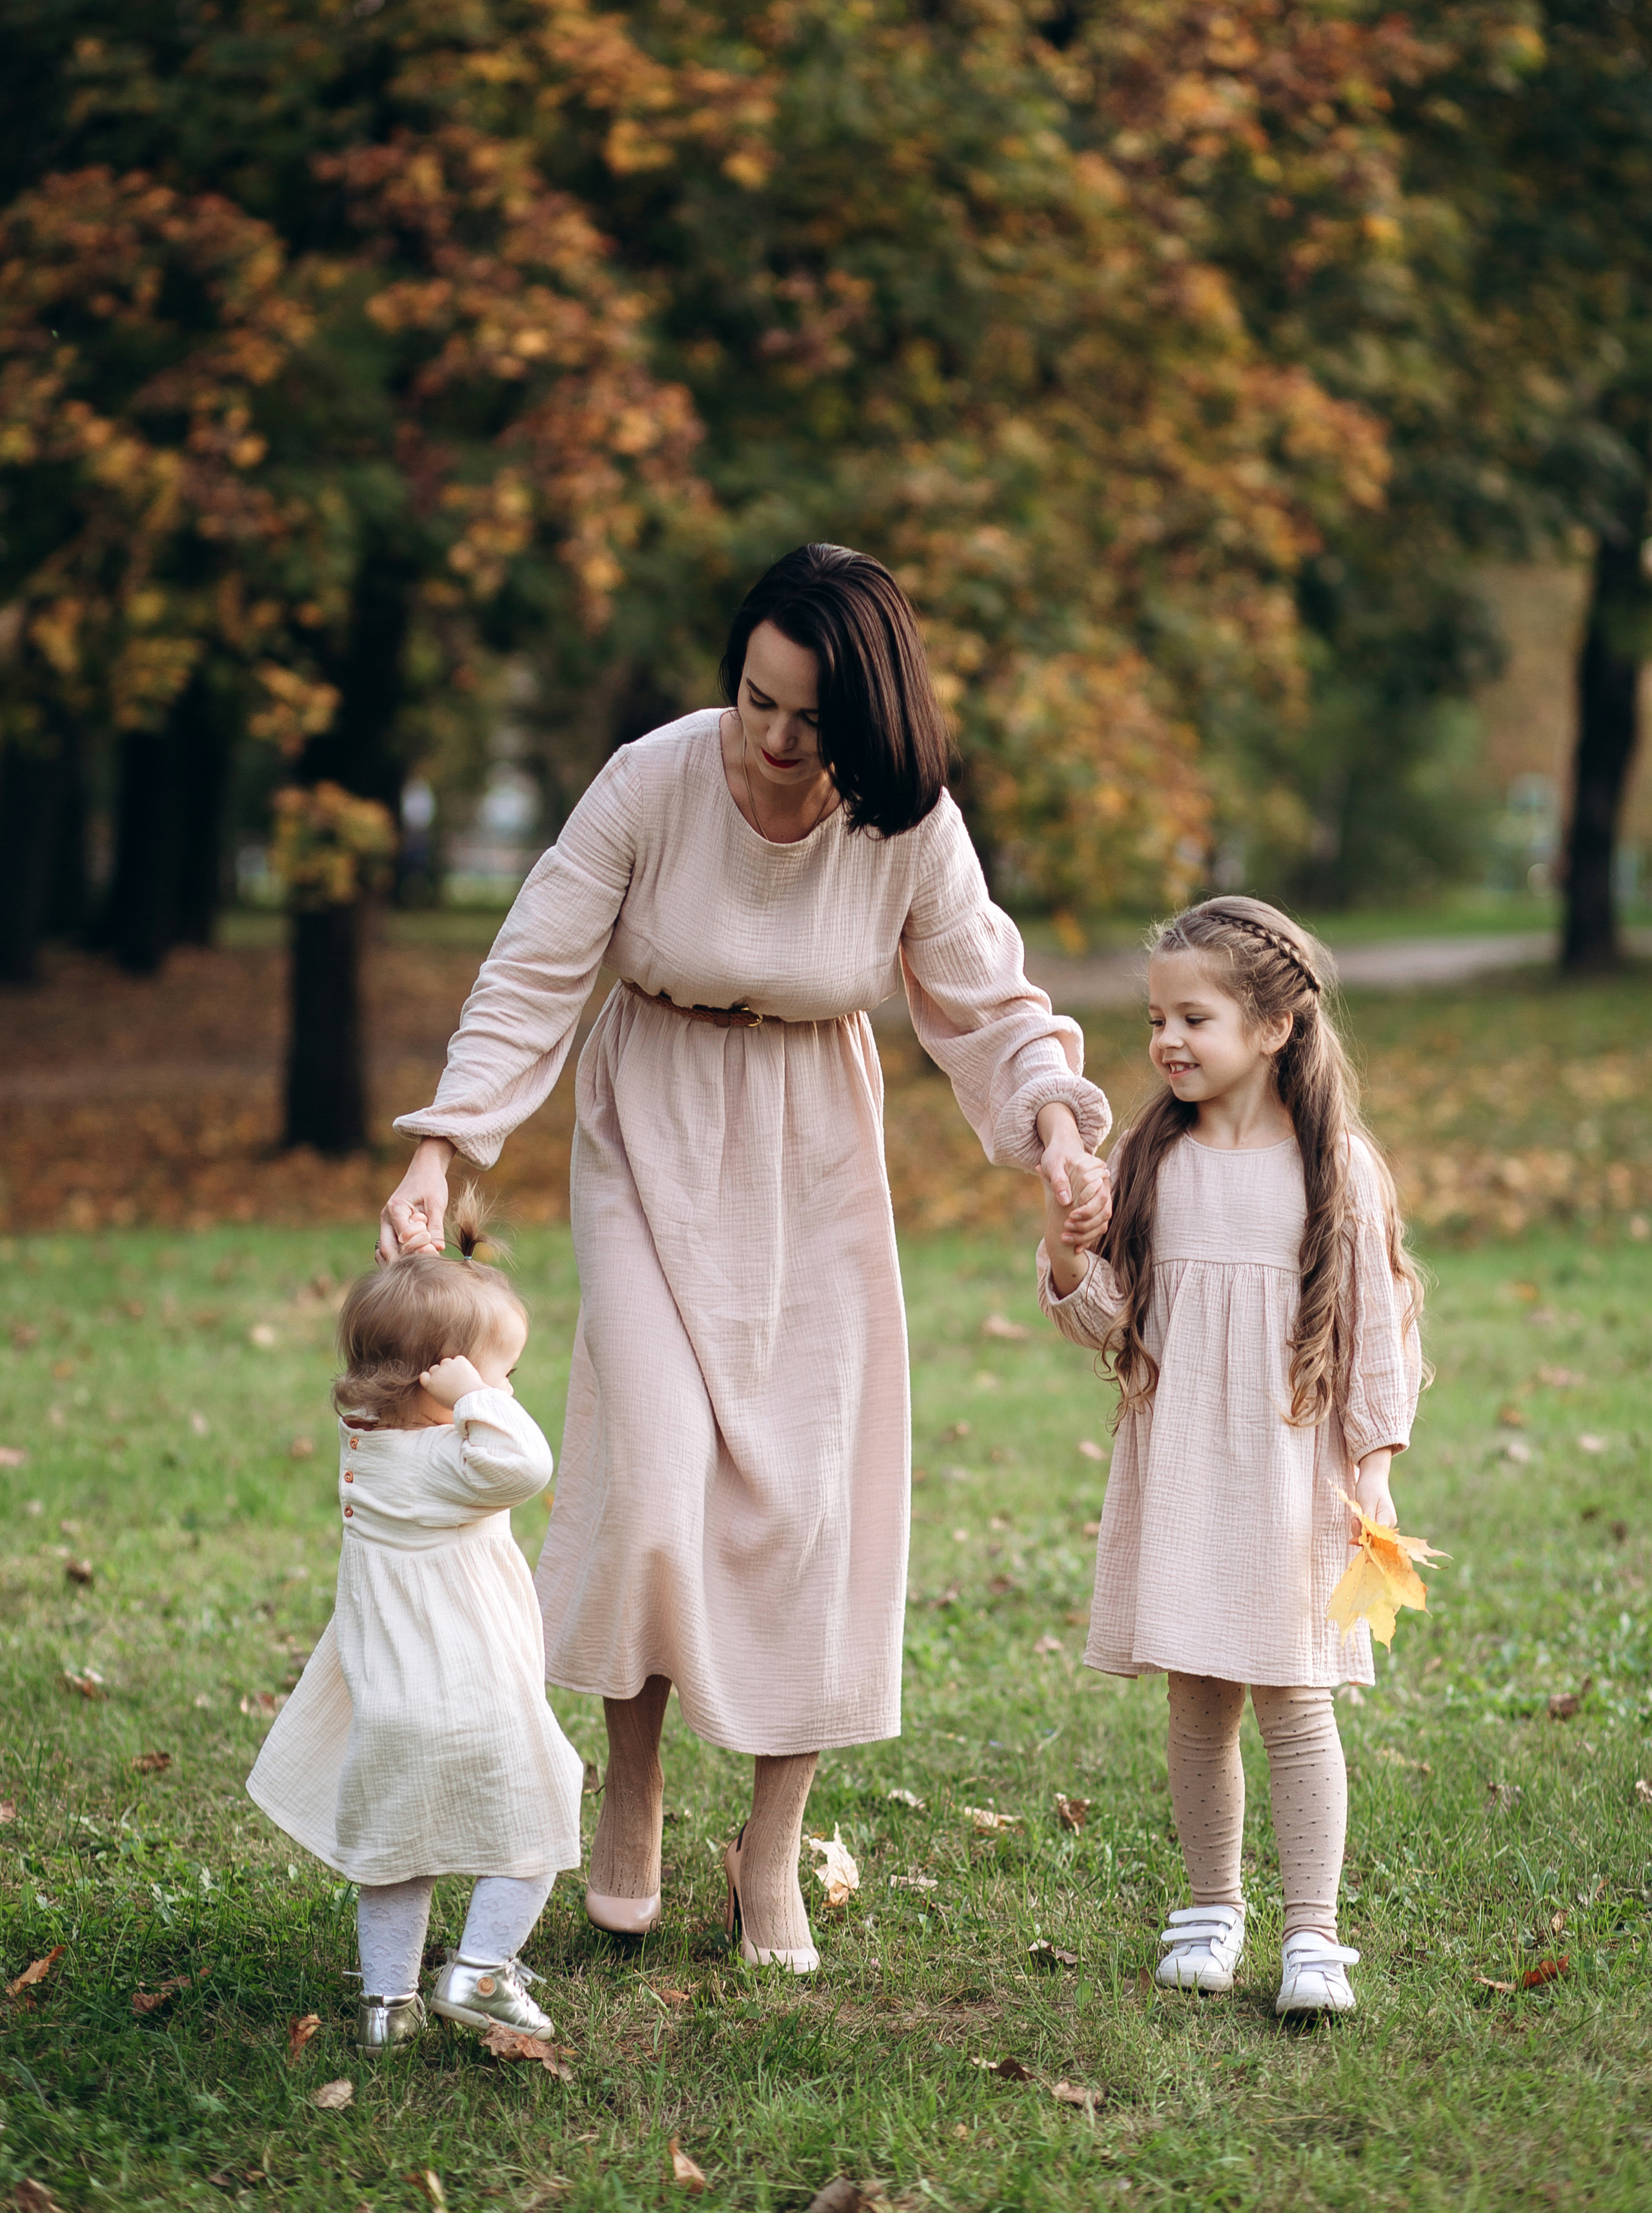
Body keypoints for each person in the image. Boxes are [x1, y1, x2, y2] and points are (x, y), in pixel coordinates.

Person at [379, 543, 1111, 1972]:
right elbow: (535, 967)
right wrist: (443, 1145)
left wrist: (1056, 1129)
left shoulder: (908, 824)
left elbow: (986, 997)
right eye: (754, 700)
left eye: (808, 722)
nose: (773, 741)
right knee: (650, 1469)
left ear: (870, 725)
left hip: (813, 1148)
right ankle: (634, 1791)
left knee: (807, 1500)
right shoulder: (652, 781)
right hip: (650, 1128)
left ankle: (767, 1852)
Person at [1036, 896, 1425, 2016]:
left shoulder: (1335, 1167)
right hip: (1187, 1472)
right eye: (1157, 1018)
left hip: (1297, 1477)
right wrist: (1065, 1259)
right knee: (1199, 1703)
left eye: (1193, 1017)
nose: (1166, 1040)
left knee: (1297, 1700)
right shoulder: (1153, 1163)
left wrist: (1376, 1467)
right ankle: (1212, 1908)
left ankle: (1313, 1935)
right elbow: (1108, 1321)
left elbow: (1375, 1326)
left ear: (1274, 1027)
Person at [247, 1197, 584, 2053]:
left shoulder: (363, 1442)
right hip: (468, 1691)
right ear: (440, 1381)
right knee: (539, 1814)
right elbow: (527, 1462)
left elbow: (387, 1356)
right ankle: (481, 1973)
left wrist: (414, 1284)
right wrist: (479, 1397)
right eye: (495, 1376)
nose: (504, 1392)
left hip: (389, 1701)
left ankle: (387, 2008)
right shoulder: (456, 1463)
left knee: (398, 1856)